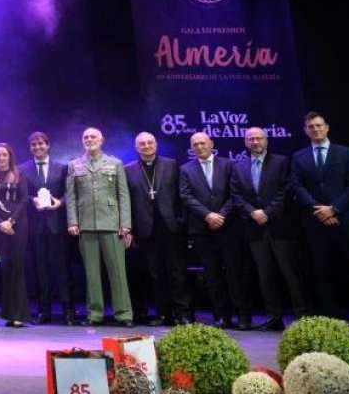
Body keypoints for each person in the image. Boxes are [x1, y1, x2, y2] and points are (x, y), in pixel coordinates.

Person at [290, 111, 349, 323]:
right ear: (305, 130)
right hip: (315, 222)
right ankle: (330, 320)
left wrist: (333, 209)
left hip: (346, 219)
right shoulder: (299, 156)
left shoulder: (346, 153)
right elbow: (297, 186)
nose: (315, 129)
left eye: (319, 125)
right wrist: (319, 210)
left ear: (327, 127)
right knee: (323, 271)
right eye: (311, 126)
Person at [230, 127, 308, 331]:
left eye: (259, 138)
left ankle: (302, 317)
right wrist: (252, 212)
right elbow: (236, 195)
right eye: (251, 139)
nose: (255, 142)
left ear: (266, 140)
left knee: (291, 274)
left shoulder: (282, 162)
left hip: (280, 226)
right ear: (246, 142)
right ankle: (274, 317)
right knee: (266, 275)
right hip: (255, 228)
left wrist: (267, 212)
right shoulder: (239, 167)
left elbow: (286, 190)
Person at [179, 131, 250, 329]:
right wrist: (207, 215)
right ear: (192, 147)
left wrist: (221, 214)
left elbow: (235, 193)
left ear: (211, 143)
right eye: (195, 145)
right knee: (212, 275)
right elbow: (185, 196)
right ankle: (222, 316)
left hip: (228, 227)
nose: (199, 147)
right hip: (202, 229)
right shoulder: (185, 169)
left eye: (203, 143)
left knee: (235, 273)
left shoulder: (229, 164)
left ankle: (243, 316)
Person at [65, 128, 134, 327]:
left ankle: (124, 314)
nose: (89, 139)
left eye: (93, 136)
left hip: (112, 224)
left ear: (101, 140)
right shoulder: (74, 165)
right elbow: (71, 197)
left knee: (118, 273)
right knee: (91, 273)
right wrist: (73, 221)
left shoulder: (115, 163)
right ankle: (94, 314)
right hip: (86, 224)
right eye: (85, 137)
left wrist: (125, 224)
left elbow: (123, 195)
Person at [124, 132, 190, 326]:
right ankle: (164, 313)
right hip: (146, 229)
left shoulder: (171, 164)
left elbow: (181, 195)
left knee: (177, 272)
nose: (146, 146)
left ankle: (184, 313)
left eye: (149, 142)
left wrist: (180, 221)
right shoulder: (129, 170)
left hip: (171, 227)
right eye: (142, 144)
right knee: (156, 274)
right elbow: (128, 201)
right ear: (136, 148)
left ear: (156, 144)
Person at [18, 132, 78, 325]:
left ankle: (68, 311)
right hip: (35, 226)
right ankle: (44, 311)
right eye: (34, 145)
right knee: (40, 270)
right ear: (30, 148)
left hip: (57, 226)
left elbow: (72, 194)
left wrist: (60, 203)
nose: (38, 147)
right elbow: (21, 197)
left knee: (62, 270)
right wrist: (32, 199)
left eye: (41, 144)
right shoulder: (22, 169)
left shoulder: (62, 168)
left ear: (48, 145)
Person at [0, 143, 29, 327]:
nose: (2, 158)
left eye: (5, 155)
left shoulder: (20, 175)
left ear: (10, 156)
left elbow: (25, 199)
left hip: (18, 225)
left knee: (18, 267)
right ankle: (9, 314)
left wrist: (11, 221)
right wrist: (0, 222)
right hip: (0, 227)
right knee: (6, 268)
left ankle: (19, 314)